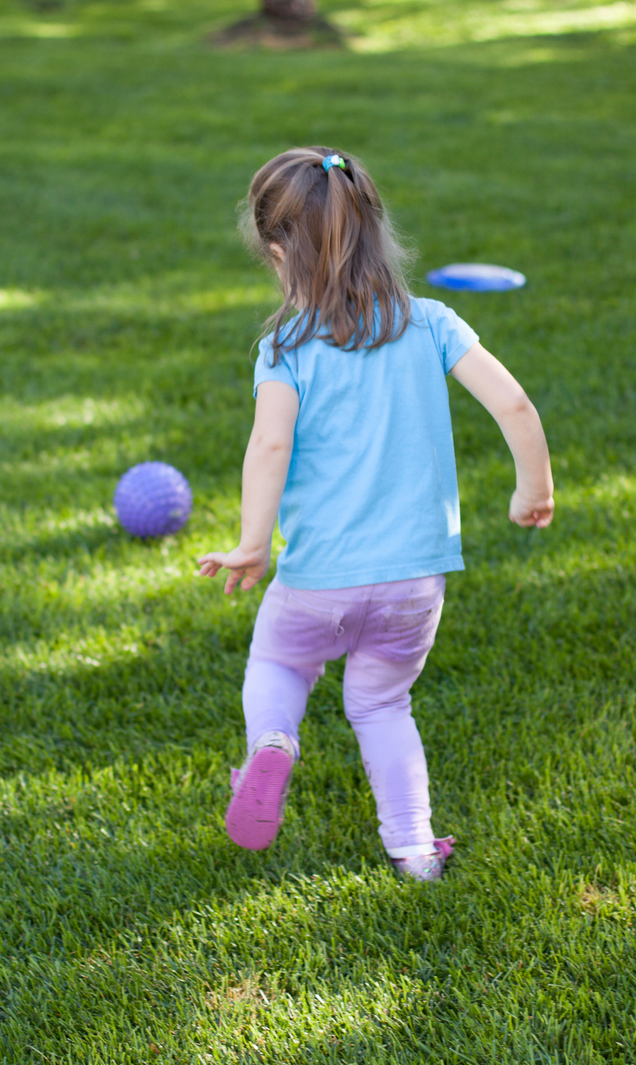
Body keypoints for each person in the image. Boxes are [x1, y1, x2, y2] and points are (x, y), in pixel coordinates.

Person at [198, 147, 554, 880]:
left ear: (277, 253)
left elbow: (270, 445)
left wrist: (253, 544)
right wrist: (534, 489)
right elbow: (516, 405)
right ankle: (415, 850)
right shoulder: (434, 324)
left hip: (318, 578)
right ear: (375, 230)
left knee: (279, 661)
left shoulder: (285, 348)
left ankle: (273, 744)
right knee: (384, 705)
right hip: (414, 582)